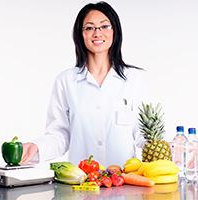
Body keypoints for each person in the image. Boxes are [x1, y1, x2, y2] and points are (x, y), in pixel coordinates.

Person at [21, 1, 150, 167]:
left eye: (104, 26)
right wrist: (36, 147)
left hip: (124, 182)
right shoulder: (65, 81)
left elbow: (144, 134)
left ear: (115, 31)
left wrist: (170, 149)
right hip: (80, 183)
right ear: (80, 35)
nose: (97, 33)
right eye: (89, 28)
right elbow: (59, 135)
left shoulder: (133, 79)